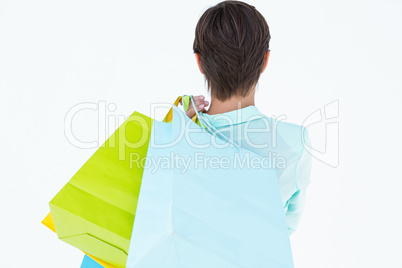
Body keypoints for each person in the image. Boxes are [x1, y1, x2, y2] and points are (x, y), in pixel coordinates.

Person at [183, 0, 312, 235]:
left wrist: (175, 126)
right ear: (265, 60)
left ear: (199, 62)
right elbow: (285, 229)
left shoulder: (177, 132)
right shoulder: (295, 144)